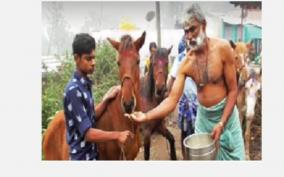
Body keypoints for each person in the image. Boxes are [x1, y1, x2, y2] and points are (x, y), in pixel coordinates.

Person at [130, 3, 245, 160]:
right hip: (204, 122)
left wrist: (222, 123)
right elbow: (172, 99)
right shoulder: (186, 63)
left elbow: (232, 90)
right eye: (186, 31)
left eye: (193, 29)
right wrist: (146, 116)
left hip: (228, 120)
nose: (189, 36)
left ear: (203, 25)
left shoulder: (223, 49)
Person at [63, 33, 133, 160]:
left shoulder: (84, 85)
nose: (93, 63)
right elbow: (88, 133)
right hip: (82, 157)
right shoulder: (73, 90)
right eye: (88, 59)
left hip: (93, 154)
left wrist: (106, 101)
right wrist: (117, 135)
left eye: (94, 58)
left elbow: (90, 117)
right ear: (76, 58)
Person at [167, 37, 198, 159]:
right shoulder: (180, 58)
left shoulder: (201, 57)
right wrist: (167, 93)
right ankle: (185, 158)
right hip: (185, 103)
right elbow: (172, 78)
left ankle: (195, 158)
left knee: (197, 133)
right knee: (185, 132)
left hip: (198, 103)